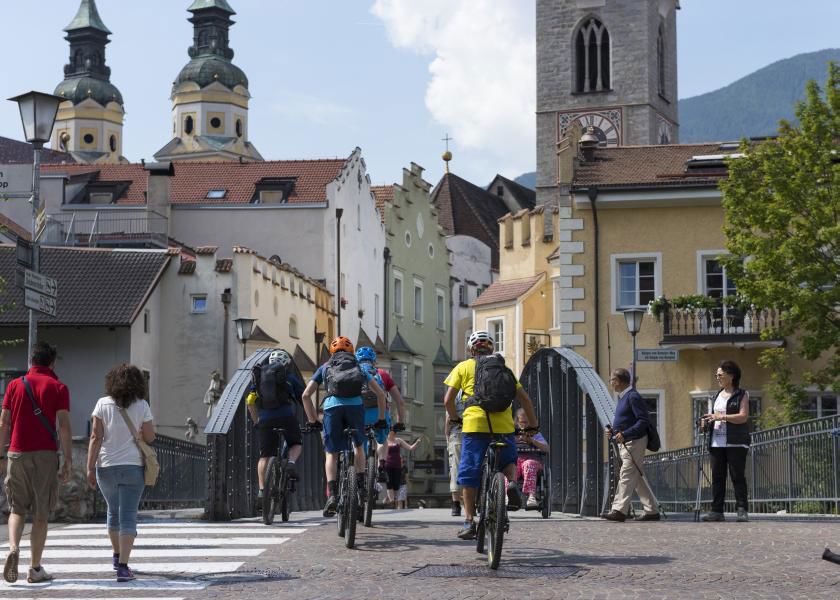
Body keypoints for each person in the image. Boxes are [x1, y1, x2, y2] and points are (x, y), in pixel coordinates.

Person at [443, 330, 539, 540]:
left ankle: (469, 521)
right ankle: (512, 483)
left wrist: (455, 418)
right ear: (492, 349)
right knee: (507, 460)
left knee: (469, 473)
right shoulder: (505, 370)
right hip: (503, 426)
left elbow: (448, 400)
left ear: (471, 350)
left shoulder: (463, 367)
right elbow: (526, 401)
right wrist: (532, 426)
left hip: (475, 424)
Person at [0, 342, 72, 584]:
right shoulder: (58, 387)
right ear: (51, 363)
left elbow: (4, 423)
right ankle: (35, 568)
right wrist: (69, 460)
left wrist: (2, 455)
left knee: (17, 508)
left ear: (31, 362)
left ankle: (12, 547)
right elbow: (63, 425)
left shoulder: (14, 385)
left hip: (16, 453)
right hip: (45, 455)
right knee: (41, 513)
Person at [301, 336, 387, 517]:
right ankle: (362, 485)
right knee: (358, 446)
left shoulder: (325, 367)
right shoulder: (361, 367)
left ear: (332, 352)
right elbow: (380, 394)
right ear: (351, 351)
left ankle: (332, 495)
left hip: (332, 409)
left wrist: (312, 419)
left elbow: (306, 395)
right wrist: (380, 419)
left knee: (331, 453)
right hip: (355, 408)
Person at [86, 364, 155, 582]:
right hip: (132, 466)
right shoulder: (142, 405)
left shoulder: (101, 403)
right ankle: (124, 567)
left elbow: (95, 437)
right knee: (128, 515)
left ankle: (116, 555)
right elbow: (150, 437)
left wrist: (89, 467)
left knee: (112, 512)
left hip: (105, 466)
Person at [602, 368, 659, 522]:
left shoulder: (632, 396)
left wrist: (625, 434)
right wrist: (614, 432)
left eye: (612, 380)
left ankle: (619, 510)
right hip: (627, 442)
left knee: (626, 474)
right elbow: (628, 420)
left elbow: (643, 420)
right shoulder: (623, 397)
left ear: (619, 381)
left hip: (635, 441)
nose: (611, 383)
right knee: (637, 477)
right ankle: (652, 510)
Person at [245, 349, 305, 499]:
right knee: (296, 443)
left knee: (265, 456)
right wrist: (312, 419)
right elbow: (304, 397)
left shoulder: (259, 379)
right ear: (286, 364)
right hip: (286, 416)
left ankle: (261, 490)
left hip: (265, 419)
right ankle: (291, 462)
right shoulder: (290, 378)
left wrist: (256, 421)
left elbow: (250, 401)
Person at [701, 360, 751, 523]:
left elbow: (743, 417)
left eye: (720, 375)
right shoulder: (717, 395)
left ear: (732, 376)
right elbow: (713, 416)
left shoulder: (742, 394)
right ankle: (717, 511)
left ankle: (742, 509)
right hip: (717, 441)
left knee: (737, 476)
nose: (718, 378)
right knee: (717, 476)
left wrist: (721, 416)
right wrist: (705, 421)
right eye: (717, 375)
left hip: (736, 442)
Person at [354, 347, 406, 482]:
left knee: (359, 445)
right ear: (374, 361)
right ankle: (381, 465)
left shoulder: (353, 373)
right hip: (379, 413)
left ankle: (360, 472)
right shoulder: (382, 374)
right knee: (382, 440)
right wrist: (400, 422)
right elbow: (400, 402)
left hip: (359, 413)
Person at [513, 408, 549, 509]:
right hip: (517, 460)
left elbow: (547, 448)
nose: (524, 425)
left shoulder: (535, 434)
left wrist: (532, 441)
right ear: (517, 422)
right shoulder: (513, 434)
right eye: (522, 422)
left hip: (533, 460)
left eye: (527, 422)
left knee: (529, 464)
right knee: (511, 465)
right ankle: (508, 494)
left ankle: (531, 496)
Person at [383, 429, 420, 507]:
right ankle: (392, 500)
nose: (393, 434)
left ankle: (392, 498)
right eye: (391, 432)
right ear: (388, 433)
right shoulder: (384, 441)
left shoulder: (398, 440)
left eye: (394, 433)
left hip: (397, 465)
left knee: (396, 483)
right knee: (389, 482)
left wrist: (416, 443)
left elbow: (410, 448)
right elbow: (379, 451)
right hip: (387, 465)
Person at [444, 389, 465, 516]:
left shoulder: (457, 392)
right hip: (478, 432)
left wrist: (447, 435)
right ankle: (474, 502)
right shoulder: (480, 388)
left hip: (458, 433)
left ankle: (455, 504)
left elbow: (448, 417)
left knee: (455, 467)